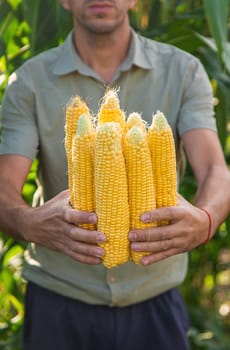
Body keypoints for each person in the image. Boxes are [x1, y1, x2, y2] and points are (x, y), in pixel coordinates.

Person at [0, 0, 230, 349]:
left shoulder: (184, 70)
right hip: (58, 302)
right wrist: (27, 222)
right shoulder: (29, 81)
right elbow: (4, 183)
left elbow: (215, 168)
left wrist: (206, 219)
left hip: (155, 301)